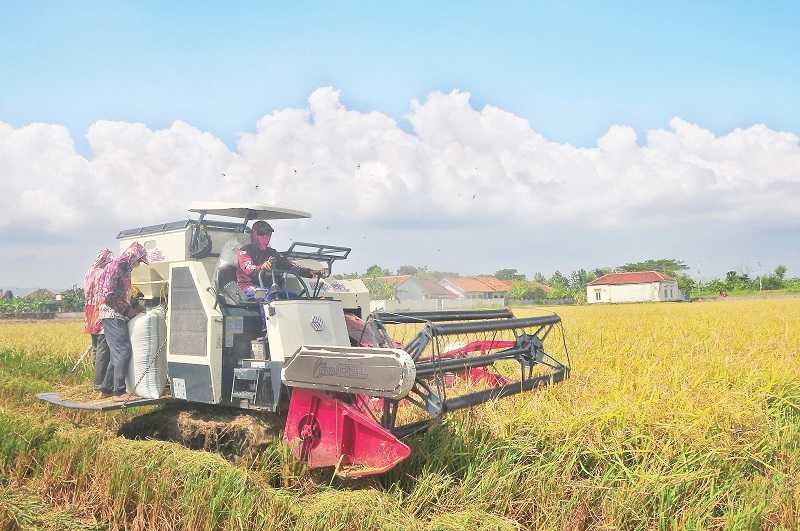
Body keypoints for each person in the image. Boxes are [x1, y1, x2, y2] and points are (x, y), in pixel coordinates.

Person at [96, 242, 149, 401]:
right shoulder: (116, 266)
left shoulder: (125, 269)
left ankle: (106, 388)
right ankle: (119, 392)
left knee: (116, 354)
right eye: (139, 260)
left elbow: (122, 294)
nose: (139, 264)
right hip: (112, 315)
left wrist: (135, 305)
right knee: (123, 351)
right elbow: (109, 295)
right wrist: (129, 311)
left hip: (117, 314)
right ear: (133, 256)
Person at [236, 220, 324, 301]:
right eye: (262, 234)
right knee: (267, 296)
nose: (266, 238)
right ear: (255, 235)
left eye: (268, 234)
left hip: (269, 289)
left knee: (293, 298)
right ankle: (270, 318)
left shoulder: (272, 252)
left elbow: (289, 266)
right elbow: (249, 269)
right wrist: (262, 266)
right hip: (248, 287)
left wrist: (309, 272)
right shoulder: (245, 251)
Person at [83, 249, 113, 396]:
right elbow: (106, 294)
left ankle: (96, 382)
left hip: (89, 315)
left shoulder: (89, 272)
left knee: (95, 348)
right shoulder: (102, 274)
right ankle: (101, 385)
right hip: (99, 313)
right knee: (103, 351)